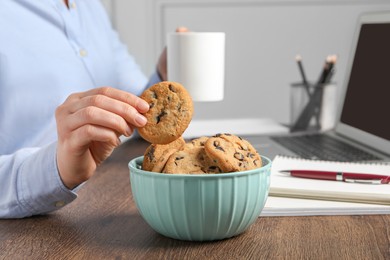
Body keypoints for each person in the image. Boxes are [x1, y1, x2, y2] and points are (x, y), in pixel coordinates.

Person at [0, 0, 185, 218]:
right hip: (23, 233)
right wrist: (57, 168)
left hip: (107, 198)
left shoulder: (89, 6)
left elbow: (134, 111)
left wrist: (162, 75)